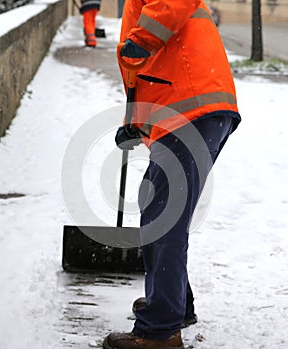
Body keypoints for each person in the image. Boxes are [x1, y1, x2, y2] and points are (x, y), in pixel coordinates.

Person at [103, 0, 241, 348]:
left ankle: (161, 331)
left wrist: (144, 38)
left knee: (163, 216)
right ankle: (174, 307)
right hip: (191, 106)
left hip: (191, 105)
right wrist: (133, 122)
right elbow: (143, 72)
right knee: (161, 207)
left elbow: (168, 11)